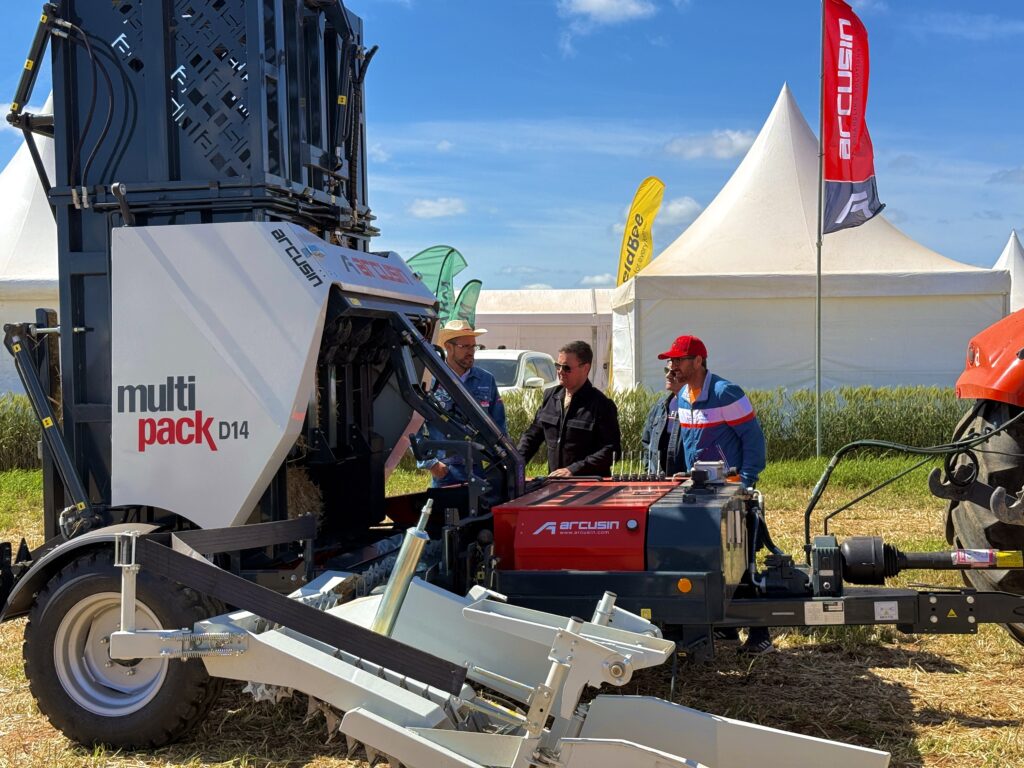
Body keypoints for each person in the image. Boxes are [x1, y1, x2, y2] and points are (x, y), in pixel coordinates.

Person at [658, 334, 771, 653]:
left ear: (698, 361)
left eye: (679, 360)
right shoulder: (682, 397)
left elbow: (754, 441)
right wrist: (688, 474)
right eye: (671, 360)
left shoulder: (725, 393)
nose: (673, 366)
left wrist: (744, 482)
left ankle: (760, 635)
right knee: (712, 560)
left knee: (742, 563)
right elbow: (692, 446)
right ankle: (727, 629)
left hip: (731, 491)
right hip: (703, 492)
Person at [418, 319, 507, 487]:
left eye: (473, 346)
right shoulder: (430, 381)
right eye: (465, 346)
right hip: (444, 470)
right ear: (448, 347)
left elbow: (499, 425)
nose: (471, 352)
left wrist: (501, 460)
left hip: (480, 467)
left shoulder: (486, 380)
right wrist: (430, 463)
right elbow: (413, 426)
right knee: (445, 504)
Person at [517, 340, 620, 477]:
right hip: (555, 482)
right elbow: (532, 436)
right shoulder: (550, 397)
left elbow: (611, 450)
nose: (560, 371)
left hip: (588, 483)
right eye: (557, 366)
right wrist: (515, 463)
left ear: (585, 368)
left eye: (566, 368)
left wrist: (573, 470)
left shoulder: (601, 405)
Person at [640, 361, 685, 475]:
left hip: (683, 480)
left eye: (673, 372)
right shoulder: (660, 406)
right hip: (658, 478)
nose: (668, 375)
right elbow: (646, 442)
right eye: (666, 370)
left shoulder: (696, 407)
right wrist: (649, 469)